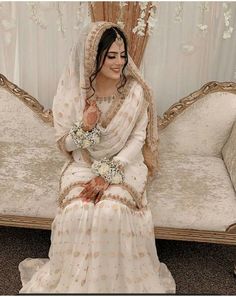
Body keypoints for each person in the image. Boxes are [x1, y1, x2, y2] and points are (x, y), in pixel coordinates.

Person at [19, 21, 176, 293]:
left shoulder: (135, 92)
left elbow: (138, 139)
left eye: (123, 55)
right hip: (83, 163)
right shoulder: (74, 94)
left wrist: (110, 172)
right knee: (77, 210)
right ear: (94, 57)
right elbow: (67, 145)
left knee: (111, 211)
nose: (119, 63)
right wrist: (87, 126)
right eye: (111, 56)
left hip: (125, 163)